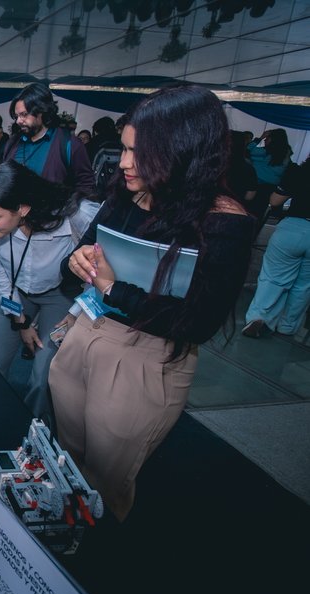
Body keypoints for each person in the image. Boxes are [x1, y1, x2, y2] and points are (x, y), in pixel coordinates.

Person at [50, 85, 253, 521]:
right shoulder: (128, 193)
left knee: (104, 482)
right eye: (124, 149)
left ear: (182, 153)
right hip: (85, 333)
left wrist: (112, 289)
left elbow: (197, 324)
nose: (124, 163)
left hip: (146, 358)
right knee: (64, 458)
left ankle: (90, 549)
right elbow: (78, 261)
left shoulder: (223, 221)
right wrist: (77, 261)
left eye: (137, 153)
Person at [0, 162, 97, 424]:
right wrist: (20, 321)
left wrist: (75, 313)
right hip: (14, 292)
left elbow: (101, 271)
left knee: (43, 375)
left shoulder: (76, 215)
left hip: (59, 296)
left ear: (22, 209)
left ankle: (30, 430)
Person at [242, 157, 310, 338]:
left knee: (273, 278)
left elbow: (275, 201)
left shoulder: (300, 172)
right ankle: (287, 326)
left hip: (293, 228)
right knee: (304, 285)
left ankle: (258, 317)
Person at [3, 82, 95, 196]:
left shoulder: (69, 144)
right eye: (16, 116)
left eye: (24, 114)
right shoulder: (12, 143)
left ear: (41, 110)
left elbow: (86, 185)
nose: (18, 121)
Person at [246, 128, 292, 230]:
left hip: (256, 184)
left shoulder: (264, 152)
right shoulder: (285, 154)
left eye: (267, 138)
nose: (265, 140)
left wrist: (259, 138)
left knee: (247, 212)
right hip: (269, 188)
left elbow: (247, 150)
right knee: (258, 214)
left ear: (272, 139)